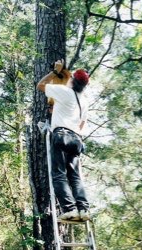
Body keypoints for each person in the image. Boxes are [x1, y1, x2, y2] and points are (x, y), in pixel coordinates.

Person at [37, 59, 90, 221]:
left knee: (59, 174)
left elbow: (40, 85)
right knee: (74, 176)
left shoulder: (63, 92)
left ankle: (69, 209)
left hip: (61, 135)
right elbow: (82, 123)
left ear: (72, 80)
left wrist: (55, 72)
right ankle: (83, 209)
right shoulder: (84, 100)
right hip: (77, 139)